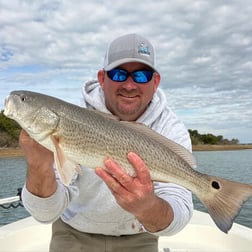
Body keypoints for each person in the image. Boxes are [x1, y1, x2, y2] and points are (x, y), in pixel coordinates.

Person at [20, 33, 193, 252]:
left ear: (155, 81)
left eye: (142, 76)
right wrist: (38, 167)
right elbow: (45, 214)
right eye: (119, 74)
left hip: (140, 236)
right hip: (73, 233)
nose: (130, 85)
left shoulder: (170, 128)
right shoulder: (71, 115)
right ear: (102, 78)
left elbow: (178, 211)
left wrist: (148, 208)